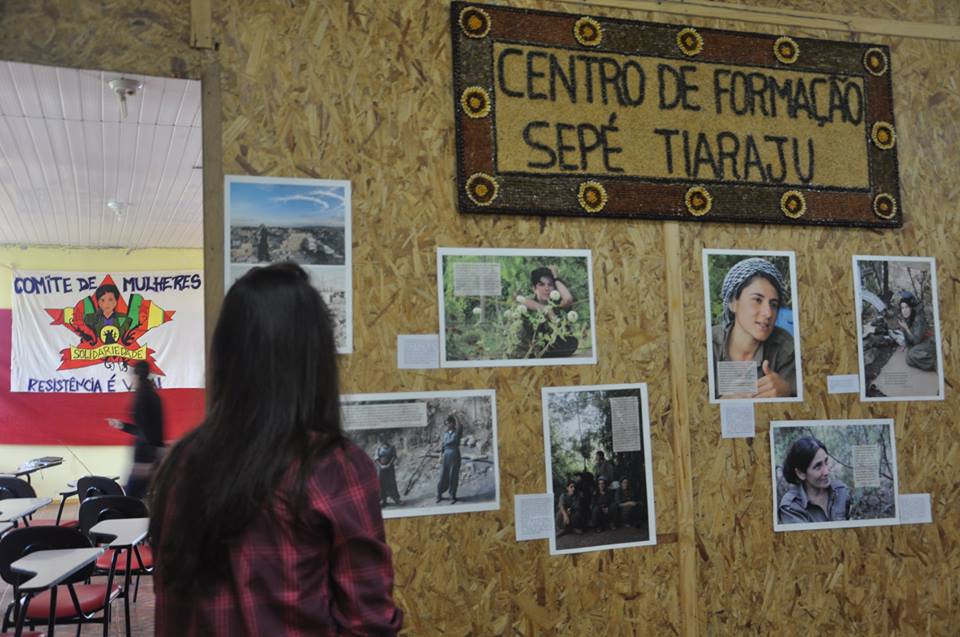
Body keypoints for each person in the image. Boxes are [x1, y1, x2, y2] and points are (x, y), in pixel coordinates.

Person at [150, 263, 401, 636]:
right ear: (314, 356)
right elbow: (369, 624)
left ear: (226, 354)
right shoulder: (332, 468)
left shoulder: (181, 462)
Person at [712, 257, 796, 399]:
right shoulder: (707, 345)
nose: (768, 313)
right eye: (757, 300)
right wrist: (722, 404)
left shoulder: (785, 348)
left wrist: (787, 390)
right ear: (733, 303)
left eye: (773, 304)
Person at [106, 360, 164, 499]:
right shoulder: (153, 395)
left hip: (144, 457)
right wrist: (122, 425)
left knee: (131, 496)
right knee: (142, 496)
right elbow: (147, 428)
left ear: (137, 376)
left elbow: (146, 432)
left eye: (132, 375)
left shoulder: (141, 397)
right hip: (151, 454)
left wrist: (146, 463)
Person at [778, 436, 850, 524]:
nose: (826, 471)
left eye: (826, 461)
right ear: (801, 473)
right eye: (818, 466)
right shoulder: (791, 507)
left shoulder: (841, 491)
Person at [518, 265, 579, 358]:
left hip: (552, 345)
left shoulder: (557, 303)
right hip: (533, 346)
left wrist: (556, 277)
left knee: (572, 342)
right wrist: (546, 310)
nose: (547, 288)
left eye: (550, 285)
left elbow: (568, 299)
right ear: (534, 288)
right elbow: (521, 301)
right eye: (541, 285)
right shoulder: (530, 303)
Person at [896, 291, 936, 371]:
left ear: (911, 307)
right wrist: (905, 330)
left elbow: (916, 340)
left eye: (907, 307)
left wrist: (906, 328)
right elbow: (909, 341)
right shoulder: (907, 319)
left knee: (912, 354)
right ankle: (928, 359)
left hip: (930, 342)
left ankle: (935, 363)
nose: (904, 310)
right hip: (921, 343)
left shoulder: (919, 319)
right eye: (902, 308)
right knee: (908, 359)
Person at [436, 414, 463, 504]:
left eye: (448, 423)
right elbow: (442, 446)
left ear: (452, 423)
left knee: (453, 476)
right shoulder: (445, 434)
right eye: (446, 423)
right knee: (443, 475)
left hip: (455, 455)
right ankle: (439, 494)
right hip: (446, 456)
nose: (447, 425)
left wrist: (456, 415)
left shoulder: (457, 432)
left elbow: (460, 425)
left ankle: (452, 496)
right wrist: (440, 456)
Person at [375, 436, 402, 506]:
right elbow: (376, 458)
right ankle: (383, 500)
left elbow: (394, 456)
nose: (384, 441)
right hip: (381, 469)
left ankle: (397, 499)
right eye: (382, 440)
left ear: (387, 440)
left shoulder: (392, 447)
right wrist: (381, 466)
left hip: (390, 468)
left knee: (392, 482)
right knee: (381, 483)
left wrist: (389, 464)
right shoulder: (378, 448)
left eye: (385, 440)